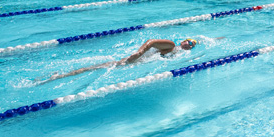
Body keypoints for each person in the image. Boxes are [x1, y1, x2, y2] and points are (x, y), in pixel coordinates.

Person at [47, 39, 197, 81]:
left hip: (134, 65)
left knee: (98, 67)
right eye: (189, 42)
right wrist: (138, 53)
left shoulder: (177, 53)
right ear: (183, 41)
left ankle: (61, 75)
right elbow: (151, 42)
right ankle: (59, 76)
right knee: (94, 68)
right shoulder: (171, 45)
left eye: (192, 46)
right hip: (131, 61)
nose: (189, 45)